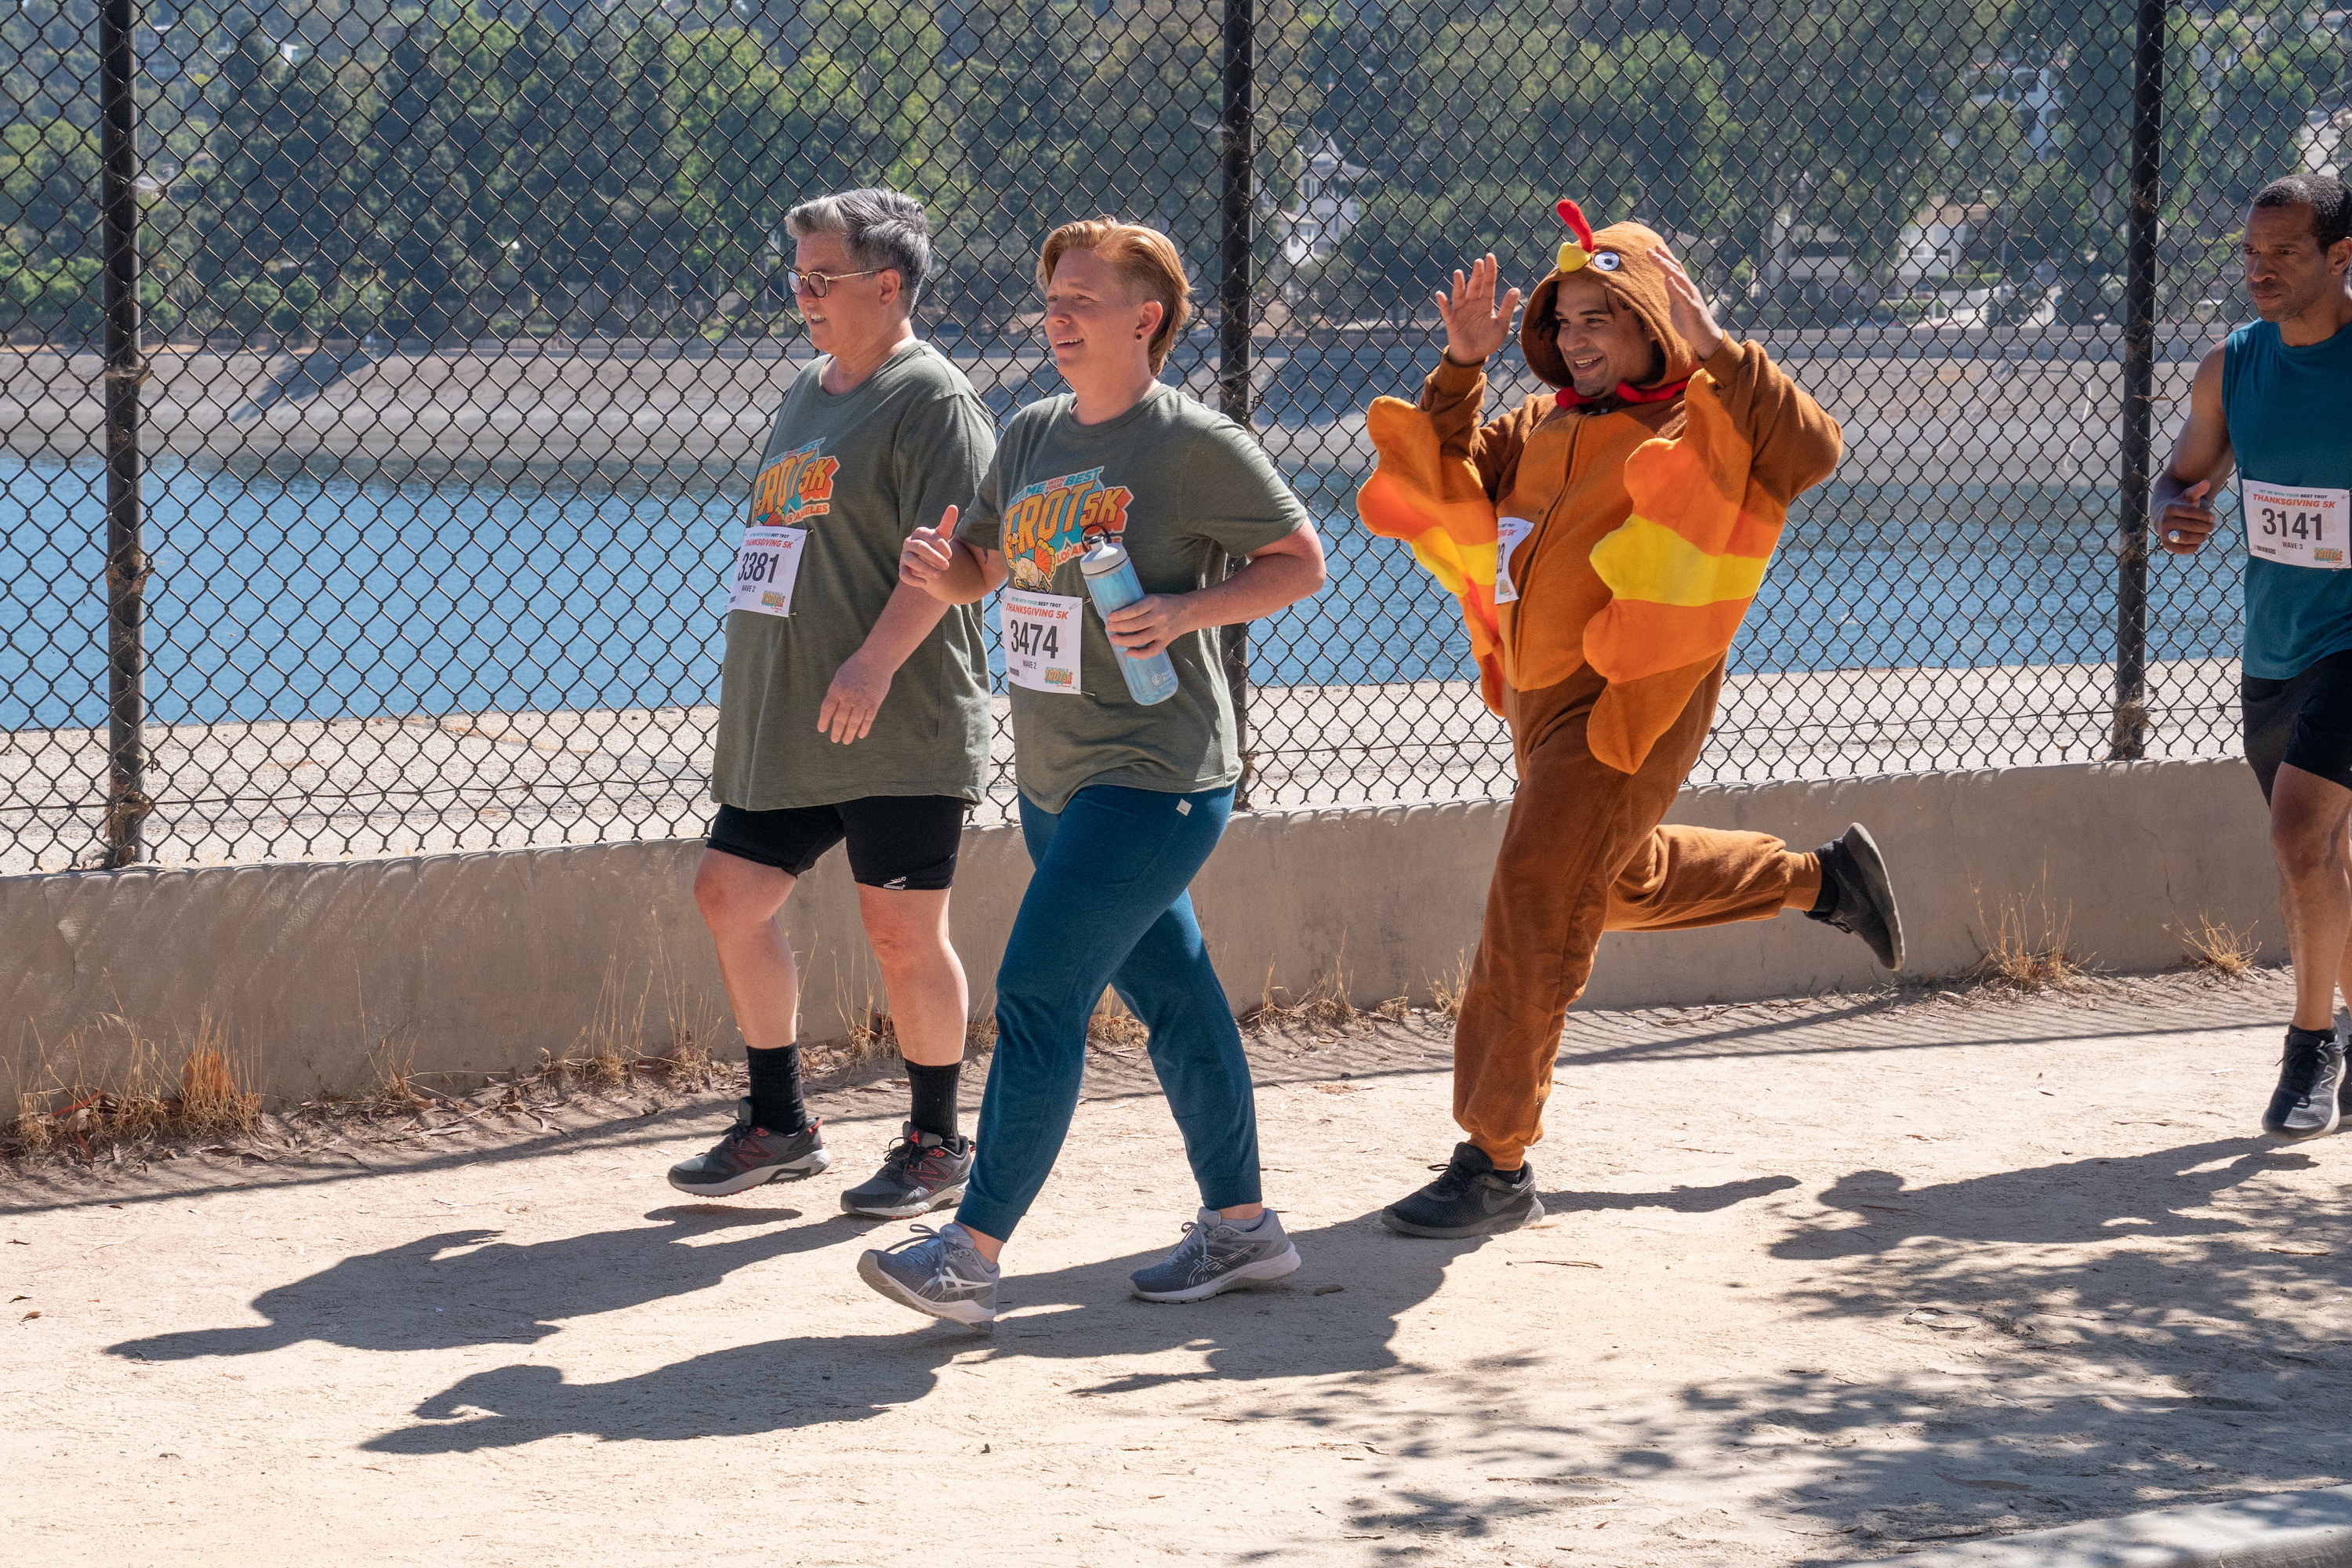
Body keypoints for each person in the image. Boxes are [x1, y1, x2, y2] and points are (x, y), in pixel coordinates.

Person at [1358, 200, 1903, 1238]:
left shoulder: (1703, 422)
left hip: (1627, 706)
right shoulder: (1537, 426)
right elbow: (1436, 483)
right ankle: (1822, 879)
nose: (1576, 338)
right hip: (1535, 706)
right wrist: (1462, 367)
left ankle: (1495, 1159)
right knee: (1604, 883)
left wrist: (1722, 353)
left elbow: (1812, 448)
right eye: (1563, 320)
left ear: (1655, 319)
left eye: (1601, 317)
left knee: (1534, 893)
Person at [860, 217, 1327, 1330]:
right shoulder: (1028, 436)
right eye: (1051, 301)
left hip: (1158, 778)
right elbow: (988, 561)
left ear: (1145, 318)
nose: (1056, 319)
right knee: (1176, 1000)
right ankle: (1245, 1229)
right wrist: (949, 568)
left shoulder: (1190, 444)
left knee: (1037, 995)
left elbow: (1301, 562)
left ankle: (968, 1255)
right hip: (1056, 781)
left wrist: (1186, 610)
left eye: (1079, 301)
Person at [666, 187, 997, 1218]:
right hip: (797, 720)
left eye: (824, 278)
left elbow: (967, 559)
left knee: (901, 935)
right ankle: (781, 1126)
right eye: (797, 276)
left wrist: (875, 661)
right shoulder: (810, 389)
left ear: (888, 285)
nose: (802, 294)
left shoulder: (931, 398)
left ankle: (940, 1143)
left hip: (894, 718)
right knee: (729, 894)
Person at [2152, 173, 2352, 1141]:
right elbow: (2181, 475)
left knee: (2297, 830)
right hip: (2279, 642)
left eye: (2284, 253)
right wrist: (2173, 513)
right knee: (2324, 857)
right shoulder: (2230, 367)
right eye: (2250, 253)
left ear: (2341, 257)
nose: (2260, 270)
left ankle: (2309, 1047)